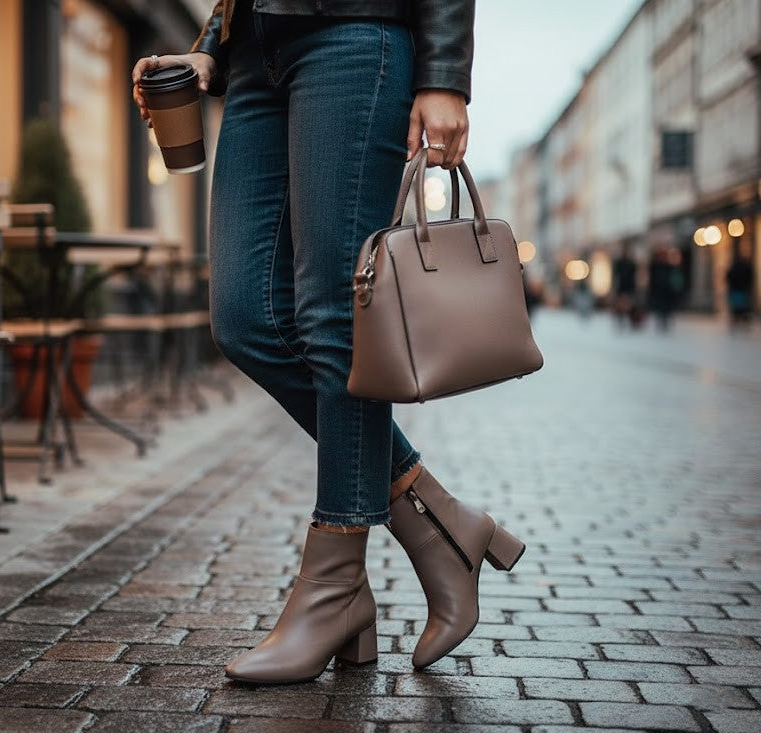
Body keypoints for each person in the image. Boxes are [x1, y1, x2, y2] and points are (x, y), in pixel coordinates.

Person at [132, 0, 525, 685]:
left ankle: (337, 584)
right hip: (254, 53)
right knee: (246, 318)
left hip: (356, 33)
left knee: (335, 317)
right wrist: (211, 49)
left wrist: (444, 75)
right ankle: (437, 518)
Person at [726, 247, 754, 329]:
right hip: (741, 289)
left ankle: (737, 317)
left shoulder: (734, 267)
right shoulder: (745, 267)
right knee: (742, 305)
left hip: (737, 289)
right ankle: (741, 317)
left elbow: (728, 276)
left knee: (738, 305)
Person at [611, 247, 638, 329]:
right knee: (621, 305)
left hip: (628, 287)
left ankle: (630, 321)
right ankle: (621, 320)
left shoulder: (631, 264)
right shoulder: (619, 263)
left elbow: (633, 276)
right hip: (622, 287)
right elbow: (615, 275)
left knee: (628, 305)